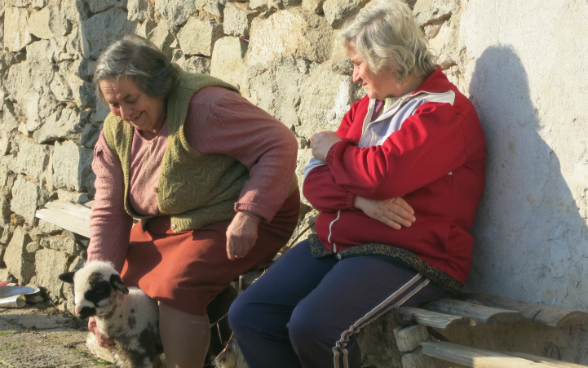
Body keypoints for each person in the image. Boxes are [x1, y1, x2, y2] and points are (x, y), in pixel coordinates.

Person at [228, 0, 487, 367]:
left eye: (358, 64)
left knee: (314, 325)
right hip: (340, 239)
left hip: (413, 253)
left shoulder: (443, 113)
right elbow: (315, 183)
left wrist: (335, 149)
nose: (354, 77)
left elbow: (380, 174)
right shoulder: (367, 108)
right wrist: (361, 203)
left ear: (389, 60)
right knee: (249, 315)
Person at [86, 35, 300, 368]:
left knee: (178, 283)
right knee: (119, 280)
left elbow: (280, 144)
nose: (125, 112)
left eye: (131, 99)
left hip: (240, 216)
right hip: (175, 220)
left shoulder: (206, 106)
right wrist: (96, 286)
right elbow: (108, 211)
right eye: (114, 103)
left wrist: (251, 213)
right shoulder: (116, 130)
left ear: (157, 86)